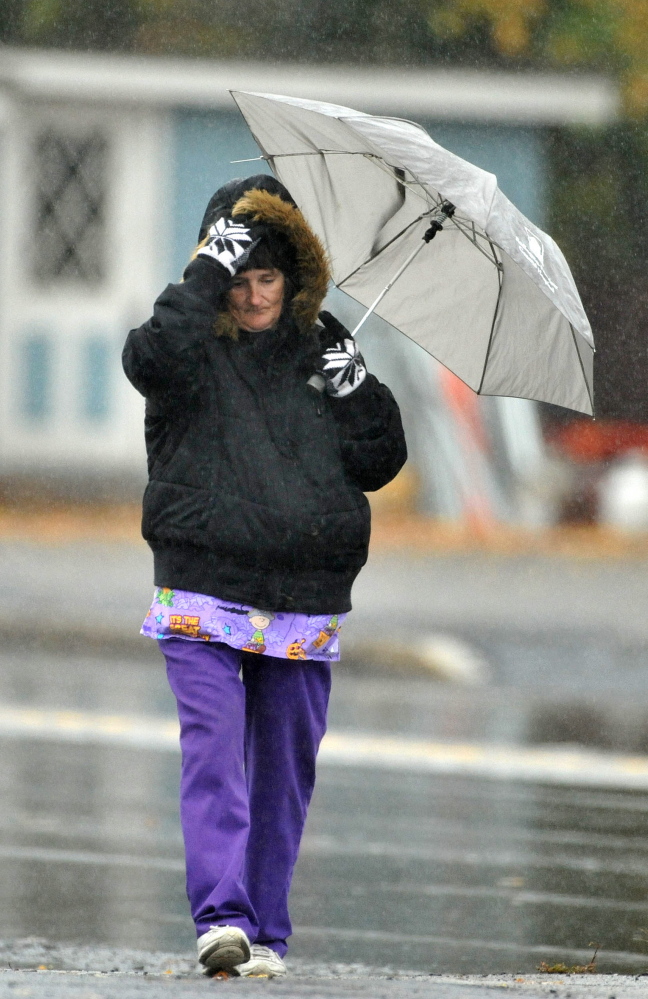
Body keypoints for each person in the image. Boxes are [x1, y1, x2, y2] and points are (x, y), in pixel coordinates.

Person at [122, 175, 407, 977]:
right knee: (213, 750)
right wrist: (206, 272)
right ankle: (221, 917)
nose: (251, 297)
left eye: (268, 278)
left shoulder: (326, 345)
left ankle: (267, 931)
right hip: (203, 581)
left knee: (286, 768)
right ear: (216, 270)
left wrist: (359, 389)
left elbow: (381, 459)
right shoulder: (185, 345)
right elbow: (143, 357)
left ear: (295, 276)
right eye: (238, 278)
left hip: (302, 593)